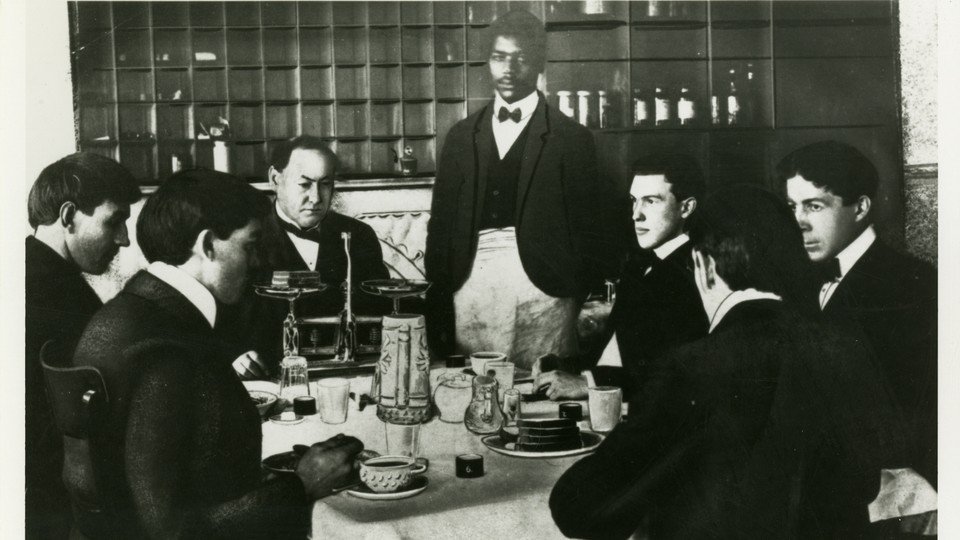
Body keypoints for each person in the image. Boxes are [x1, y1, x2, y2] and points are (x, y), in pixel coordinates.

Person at [550, 186, 907, 539]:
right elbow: (865, 484)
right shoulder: (845, 349)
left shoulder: (689, 366)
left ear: (704, 267)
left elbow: (580, 511)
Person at [71, 169, 364, 539]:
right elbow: (171, 531)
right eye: (250, 246)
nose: (257, 262)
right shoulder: (167, 352)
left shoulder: (134, 315)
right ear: (207, 244)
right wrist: (300, 487)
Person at [425, 9, 618, 368]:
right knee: (476, 385)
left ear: (540, 62)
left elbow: (590, 226)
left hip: (546, 288)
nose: (509, 69)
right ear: (488, 62)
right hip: (472, 281)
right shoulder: (461, 136)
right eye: (499, 57)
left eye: (520, 58)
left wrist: (578, 292)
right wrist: (438, 292)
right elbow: (441, 224)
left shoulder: (571, 138)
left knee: (542, 390)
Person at [779, 140, 937, 485]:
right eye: (792, 207)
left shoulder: (915, 284)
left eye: (814, 206)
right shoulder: (794, 283)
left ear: (861, 207)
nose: (798, 222)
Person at [25, 152, 140, 540]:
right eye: (114, 221)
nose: (124, 239)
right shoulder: (54, 300)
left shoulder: (36, 275)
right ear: (68, 216)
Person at [534, 154, 708, 400]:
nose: (636, 214)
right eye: (634, 201)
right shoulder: (638, 266)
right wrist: (564, 366)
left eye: (651, 201)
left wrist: (587, 383)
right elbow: (619, 354)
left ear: (686, 207)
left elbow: (674, 377)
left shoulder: (695, 273)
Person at [222, 136, 389, 377]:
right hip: (268, 379)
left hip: (345, 376)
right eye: (304, 184)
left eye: (325, 183)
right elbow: (218, 320)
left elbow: (380, 310)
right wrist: (235, 355)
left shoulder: (359, 235)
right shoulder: (246, 239)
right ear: (274, 179)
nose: (316, 198)